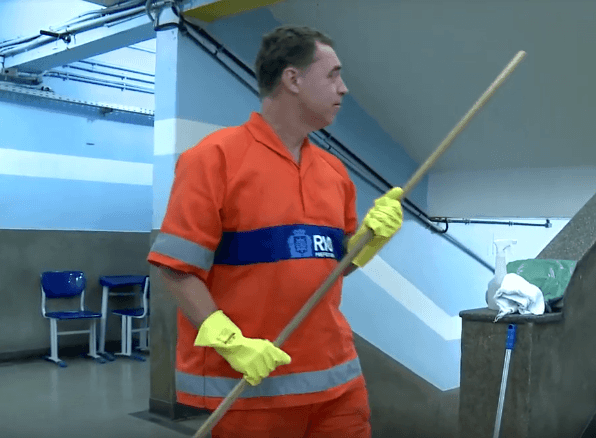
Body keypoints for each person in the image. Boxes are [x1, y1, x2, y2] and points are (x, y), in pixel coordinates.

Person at [147, 24, 404, 438]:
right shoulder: (213, 159)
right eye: (333, 74)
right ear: (293, 79)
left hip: (336, 380)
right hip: (251, 386)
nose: (343, 88)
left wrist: (370, 241)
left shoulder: (334, 172)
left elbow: (334, 266)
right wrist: (231, 343)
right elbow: (176, 268)